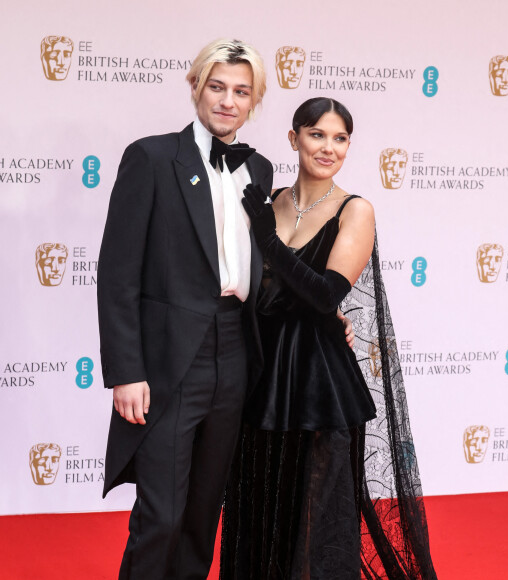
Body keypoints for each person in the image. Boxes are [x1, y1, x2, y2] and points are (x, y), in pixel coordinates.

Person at [220, 98, 438, 579]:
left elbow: (325, 294)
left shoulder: (355, 209)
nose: (329, 148)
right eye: (318, 135)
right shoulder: (269, 200)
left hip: (319, 382)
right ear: (294, 137)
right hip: (259, 378)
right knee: (258, 512)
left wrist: (268, 240)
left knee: (319, 525)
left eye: (340, 139)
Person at [97, 39, 273, 580]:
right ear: (196, 87)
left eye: (240, 91)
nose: (227, 100)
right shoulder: (151, 157)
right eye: (217, 87)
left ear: (253, 101)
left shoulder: (261, 170)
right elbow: (117, 272)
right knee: (163, 515)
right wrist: (127, 371)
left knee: (202, 515)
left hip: (236, 352)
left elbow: (263, 267)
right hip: (172, 359)